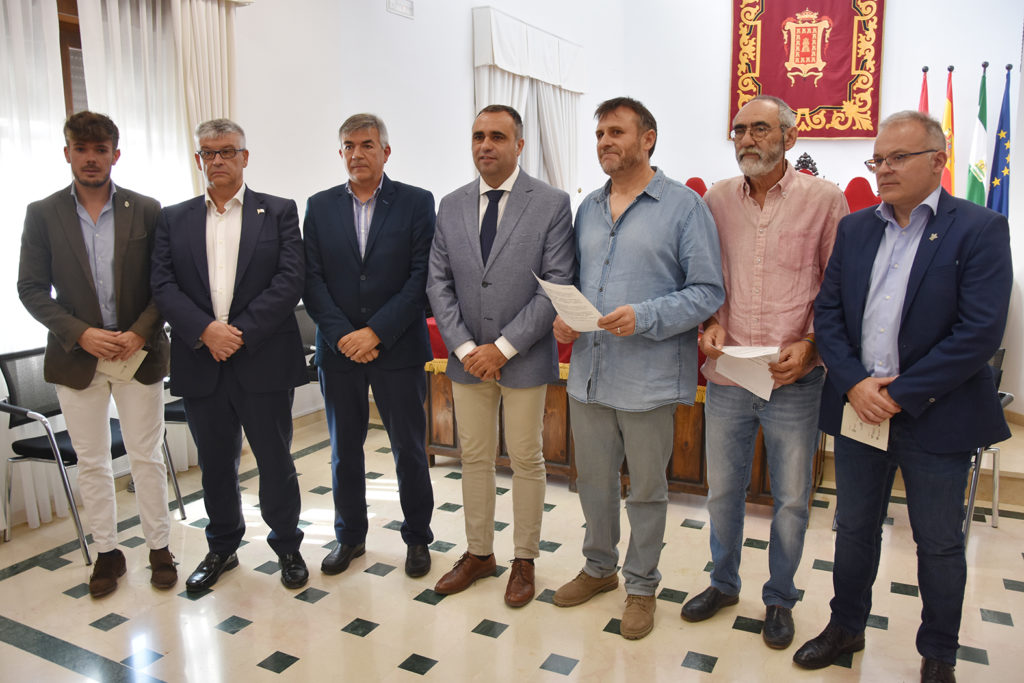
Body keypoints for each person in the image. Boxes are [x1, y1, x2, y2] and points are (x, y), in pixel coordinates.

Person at [793, 111, 1012, 683]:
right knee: (853, 529)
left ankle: (938, 654)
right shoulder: (858, 227)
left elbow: (980, 332)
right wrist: (858, 385)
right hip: (861, 409)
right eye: (877, 159)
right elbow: (831, 314)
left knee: (938, 544)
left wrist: (900, 393)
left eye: (897, 158)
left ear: (937, 162)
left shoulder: (980, 228)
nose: (883, 169)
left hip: (936, 416)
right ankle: (846, 627)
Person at [551, 97, 725, 639]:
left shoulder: (685, 207)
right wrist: (566, 319)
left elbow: (707, 291)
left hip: (648, 379)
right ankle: (599, 569)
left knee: (646, 490)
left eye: (617, 132)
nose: (605, 141)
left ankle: (642, 588)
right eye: (600, 132)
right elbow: (579, 282)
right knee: (594, 483)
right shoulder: (588, 208)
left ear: (648, 138)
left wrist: (646, 315)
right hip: (590, 373)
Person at [681, 95, 847, 649]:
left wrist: (812, 346)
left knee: (792, 500)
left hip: (792, 379)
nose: (746, 138)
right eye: (738, 129)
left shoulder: (826, 201)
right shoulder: (714, 201)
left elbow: (838, 291)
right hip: (729, 375)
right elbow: (701, 278)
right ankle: (723, 583)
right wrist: (706, 323)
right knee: (722, 491)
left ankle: (779, 598)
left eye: (759, 128)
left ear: (789, 138)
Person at [18, 111, 175, 597]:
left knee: (146, 456)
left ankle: (159, 548)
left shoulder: (146, 209)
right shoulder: (42, 213)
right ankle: (107, 554)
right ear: (67, 152)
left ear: (115, 154)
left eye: (100, 149)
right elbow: (30, 288)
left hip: (138, 354)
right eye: (81, 149)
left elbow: (164, 283)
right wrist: (81, 333)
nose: (91, 158)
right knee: (92, 461)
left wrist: (140, 332)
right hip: (77, 357)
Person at [151, 118, 309, 592]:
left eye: (227, 151)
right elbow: (162, 285)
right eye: (207, 153)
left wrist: (236, 333)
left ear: (245, 157)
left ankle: (287, 546)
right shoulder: (173, 218)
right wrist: (205, 331)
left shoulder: (279, 212)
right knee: (215, 464)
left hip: (261, 360)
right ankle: (222, 546)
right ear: (199, 160)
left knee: (275, 460)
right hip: (201, 363)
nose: (216, 160)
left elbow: (290, 280)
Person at [426, 104, 574, 607]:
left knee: (527, 458)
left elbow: (554, 285)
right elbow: (438, 283)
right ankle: (478, 553)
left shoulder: (551, 203)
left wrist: (503, 347)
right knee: (474, 458)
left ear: (519, 145)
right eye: (477, 136)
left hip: (524, 356)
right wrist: (468, 349)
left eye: (496, 136)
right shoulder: (451, 204)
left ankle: (524, 559)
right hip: (468, 361)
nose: (484, 145)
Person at [303, 113, 436, 579]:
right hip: (338, 352)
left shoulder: (417, 203)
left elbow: (421, 278)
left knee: (409, 448)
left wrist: (376, 332)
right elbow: (312, 280)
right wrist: (344, 335)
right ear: (340, 152)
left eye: (366, 144)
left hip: (397, 348)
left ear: (386, 151)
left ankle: (417, 537)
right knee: (344, 450)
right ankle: (350, 537)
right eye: (348, 145)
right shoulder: (319, 207)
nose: (356, 153)